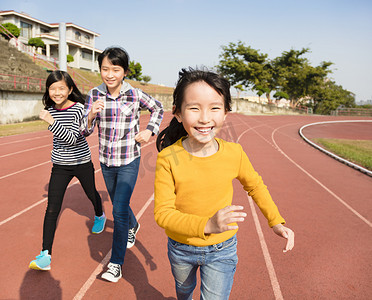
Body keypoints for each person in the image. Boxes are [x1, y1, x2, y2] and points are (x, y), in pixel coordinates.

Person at [154, 68, 295, 299]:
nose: (205, 118)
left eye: (214, 108)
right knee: (184, 291)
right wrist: (206, 225)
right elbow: (163, 214)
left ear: (226, 113)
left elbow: (256, 186)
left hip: (222, 249)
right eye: (194, 108)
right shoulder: (168, 158)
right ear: (178, 113)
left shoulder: (234, 153)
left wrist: (276, 221)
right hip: (181, 247)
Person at [81, 46, 164, 283]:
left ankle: (116, 264)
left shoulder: (135, 94)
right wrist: (89, 116)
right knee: (120, 203)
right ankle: (133, 225)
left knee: (118, 210)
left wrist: (150, 130)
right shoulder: (94, 94)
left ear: (124, 71)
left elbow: (158, 108)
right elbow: (85, 131)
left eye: (115, 69)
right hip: (106, 161)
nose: (109, 74)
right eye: (105, 69)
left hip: (129, 159)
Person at [29, 70, 106, 271]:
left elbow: (72, 138)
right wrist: (52, 118)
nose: (57, 92)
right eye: (52, 88)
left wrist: (52, 122)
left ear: (70, 89)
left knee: (91, 194)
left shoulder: (79, 108)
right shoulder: (51, 110)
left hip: (81, 162)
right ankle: (45, 255)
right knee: (52, 208)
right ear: (48, 91)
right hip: (60, 166)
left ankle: (99, 214)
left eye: (61, 88)